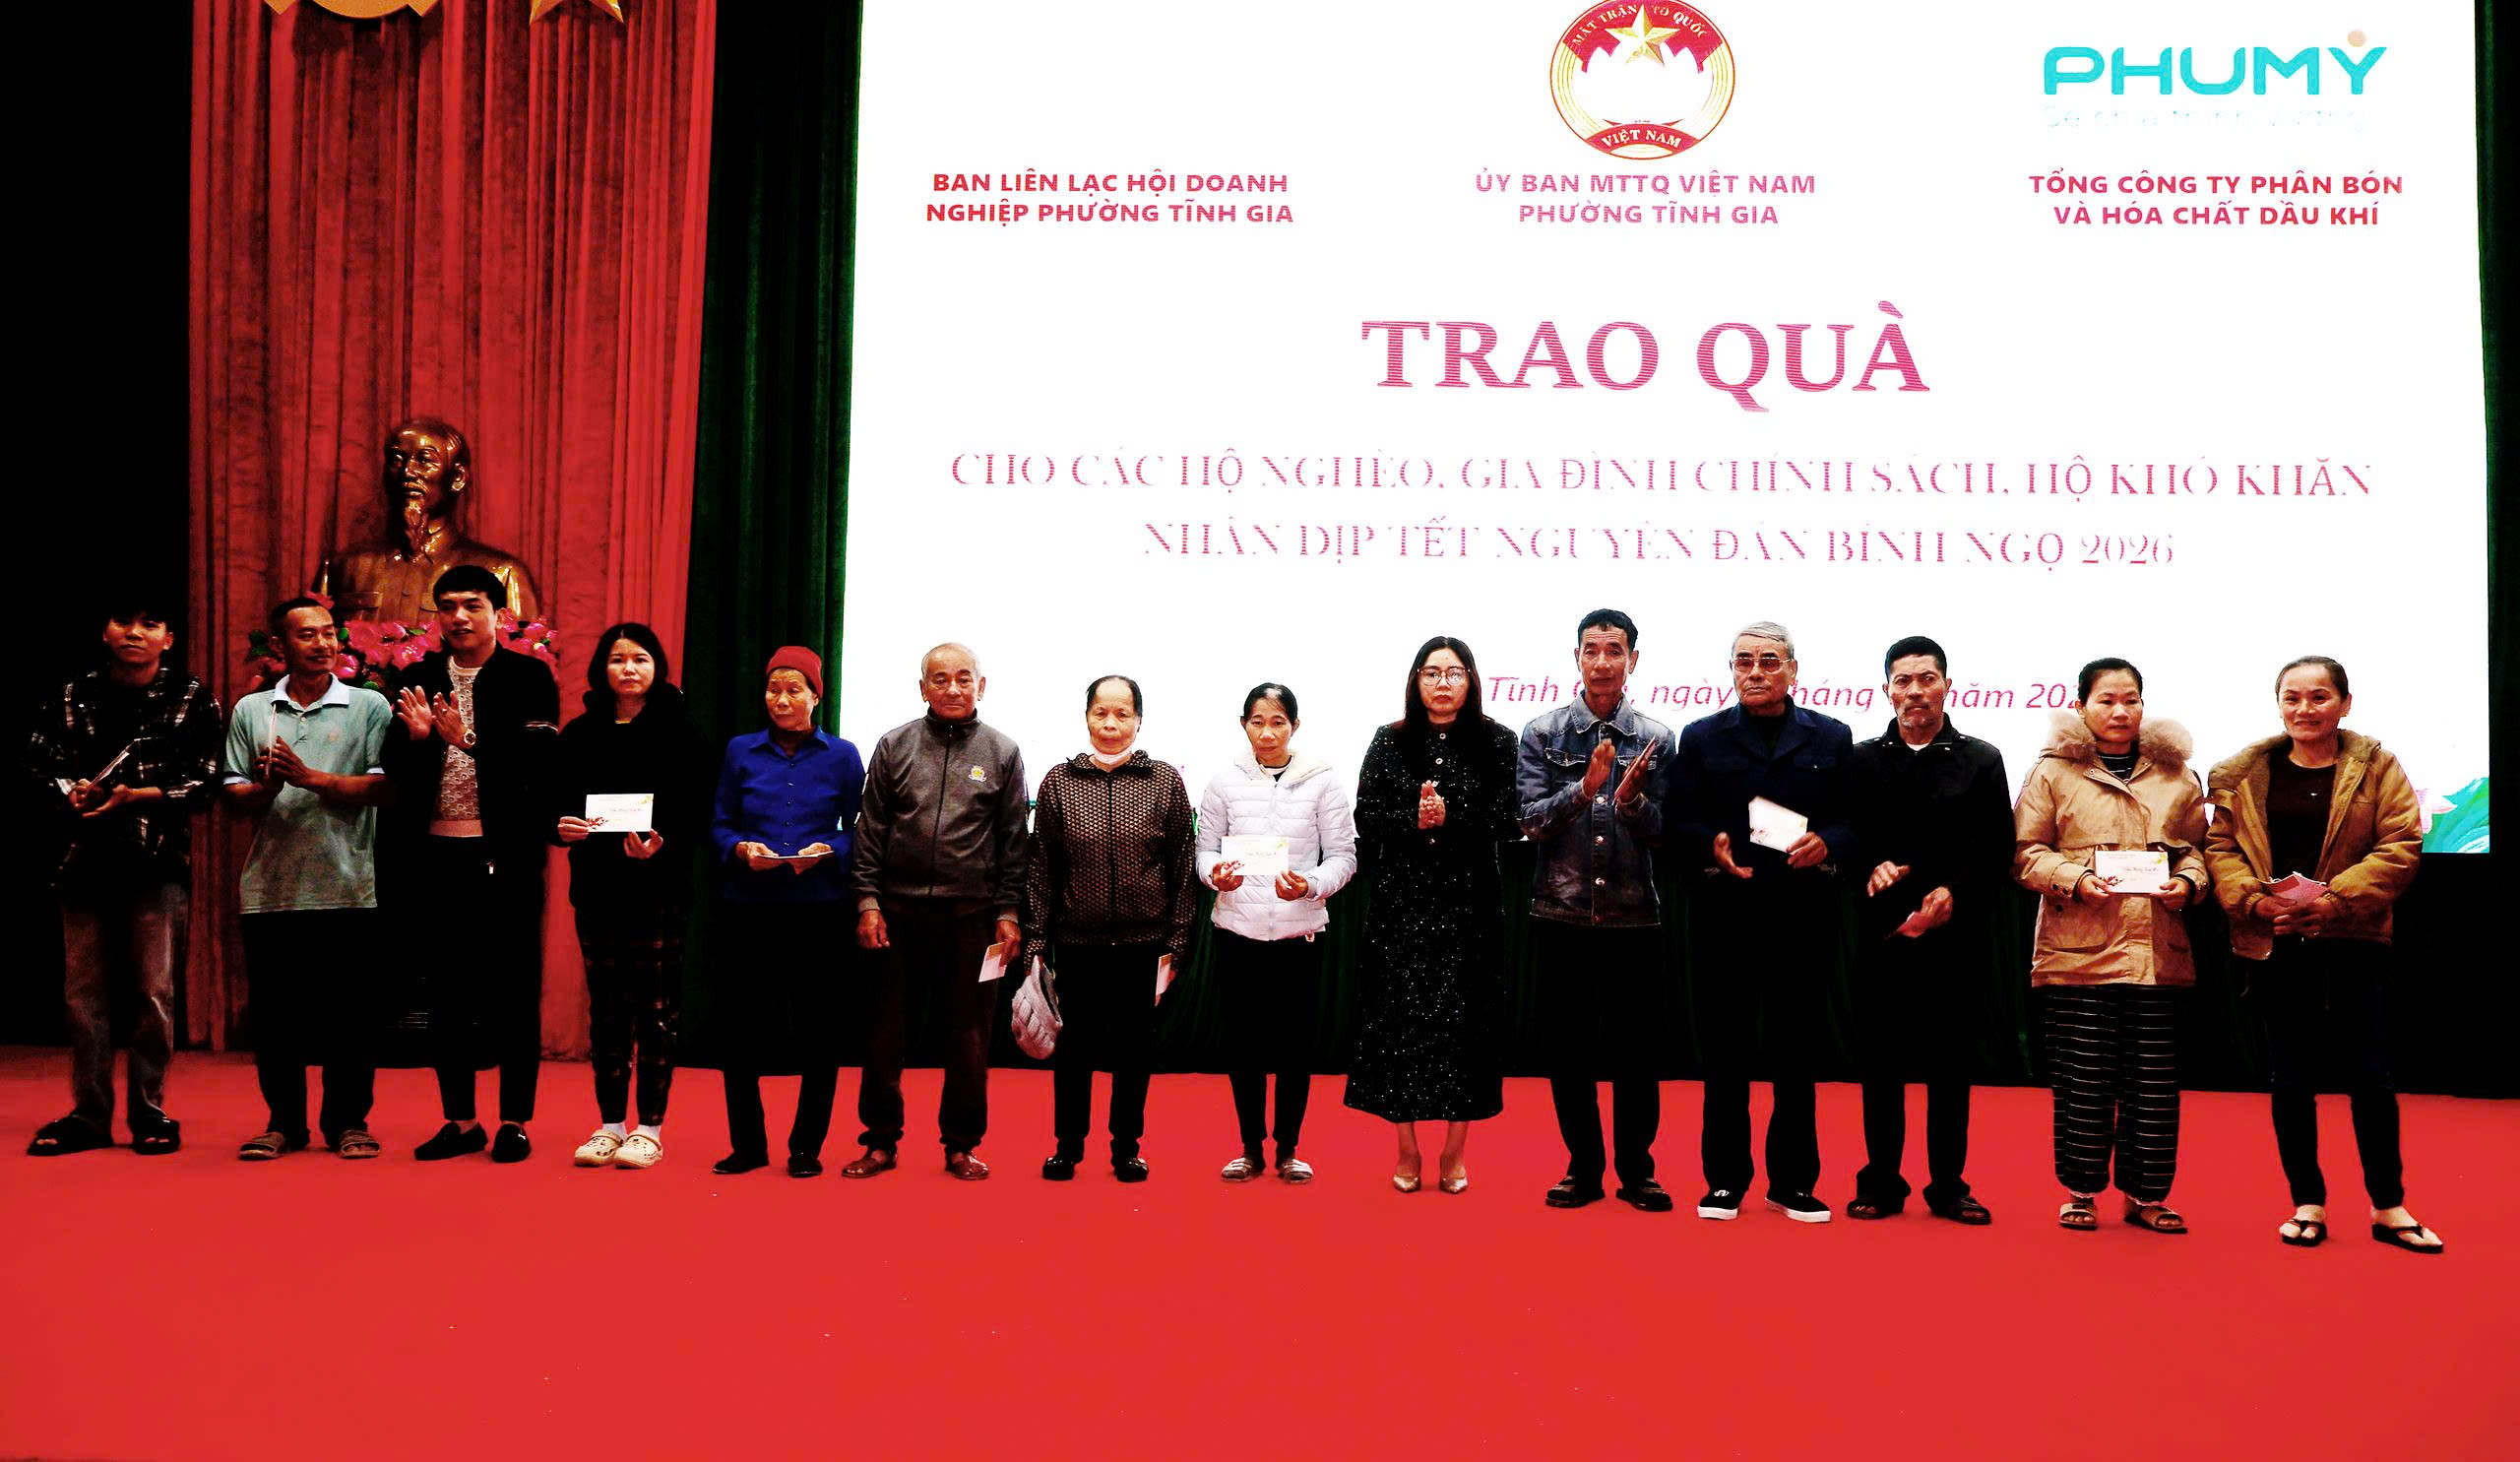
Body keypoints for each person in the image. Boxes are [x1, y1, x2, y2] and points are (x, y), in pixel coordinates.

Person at [2202, 657, 2441, 1254]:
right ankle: (2307, 1202)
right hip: (2276, 940)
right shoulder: (2243, 772)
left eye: (2319, 697)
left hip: (2355, 941)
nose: (2304, 709)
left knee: (2371, 1077)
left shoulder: (2378, 766)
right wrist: (2254, 902)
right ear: (2279, 705)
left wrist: (2334, 903)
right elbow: (2220, 847)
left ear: (2345, 703)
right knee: (2290, 1079)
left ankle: (2388, 1205)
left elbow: (2401, 844)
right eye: (2292, 698)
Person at [1668, 620, 1855, 1224]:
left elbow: (1853, 819)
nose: (1755, 672)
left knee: (1796, 1053)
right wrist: (1710, 843)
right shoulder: (1702, 737)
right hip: (1727, 914)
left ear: (1793, 670)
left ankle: (1793, 1182)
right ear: (1731, 670)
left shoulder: (1831, 736)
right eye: (1744, 661)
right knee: (1725, 1053)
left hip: (1802, 916)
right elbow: (1679, 819)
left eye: (1769, 661)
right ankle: (1725, 1181)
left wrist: (1829, 842)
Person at [24, 595, 223, 1157]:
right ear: (105, 633)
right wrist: (69, 791)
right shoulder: (72, 694)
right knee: (83, 997)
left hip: (155, 860)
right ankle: (88, 1114)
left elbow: (207, 778)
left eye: (149, 624)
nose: (135, 632)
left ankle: (149, 1111)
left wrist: (142, 796)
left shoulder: (191, 696)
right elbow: (37, 761)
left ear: (168, 639)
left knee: (153, 994)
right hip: (81, 860)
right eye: (123, 622)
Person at [2013, 657, 2206, 1235]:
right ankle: (2080, 1191)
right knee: (2084, 1082)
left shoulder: (2177, 775)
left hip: (2157, 954)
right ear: (2081, 706)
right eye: (2106, 700)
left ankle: (2147, 1196)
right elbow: (2025, 853)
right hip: (2078, 955)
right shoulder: (2052, 772)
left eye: (2131, 700)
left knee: (2154, 1085)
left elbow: (2197, 851)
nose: (2120, 711)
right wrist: (2075, 879)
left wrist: (2188, 883)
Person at [384, 564, 561, 1163]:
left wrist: (468, 741)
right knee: (447, 992)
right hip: (437, 854)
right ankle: (460, 1120)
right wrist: (416, 740)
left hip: (505, 854)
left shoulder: (529, 676)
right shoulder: (416, 678)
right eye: (448, 606)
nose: (459, 617)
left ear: (498, 614)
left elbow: (538, 766)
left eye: (473, 605)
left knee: (514, 989)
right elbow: (395, 776)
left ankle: (514, 1120)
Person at [1843, 635, 2011, 1224]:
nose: (1915, 691)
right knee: (1880, 1066)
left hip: (1954, 936)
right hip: (1881, 934)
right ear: (1887, 690)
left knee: (1950, 1067)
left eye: (1927, 679)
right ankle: (1881, 1183)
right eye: (1903, 681)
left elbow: (1997, 848)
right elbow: (1844, 837)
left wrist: (1954, 892)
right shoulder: (1860, 759)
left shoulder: (1981, 758)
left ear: (1946, 685)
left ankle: (1948, 1186)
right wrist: (1869, 866)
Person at [220, 598, 397, 1160]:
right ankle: (284, 1124)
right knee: (276, 1020)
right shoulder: (253, 710)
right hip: (270, 890)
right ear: (279, 647)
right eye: (307, 635)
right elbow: (233, 794)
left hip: (349, 885)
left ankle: (348, 1122)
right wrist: (268, 788)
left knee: (351, 1017)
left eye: (329, 633)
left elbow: (385, 788)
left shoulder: (368, 705)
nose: (323, 644)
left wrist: (308, 777)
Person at [846, 643, 1030, 1181]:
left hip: (972, 917)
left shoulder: (1003, 751)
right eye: (940, 679)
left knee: (969, 1037)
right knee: (885, 1035)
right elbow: (870, 831)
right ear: (922, 687)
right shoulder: (894, 745)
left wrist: (1009, 910)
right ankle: (880, 1141)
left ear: (981, 686)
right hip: (897, 914)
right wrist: (868, 902)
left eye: (963, 678)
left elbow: (1012, 840)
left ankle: (961, 1145)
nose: (953, 688)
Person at [1516, 609, 1678, 1212]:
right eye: (1592, 650)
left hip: (1634, 917)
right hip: (1562, 915)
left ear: (1633, 660)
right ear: (1577, 658)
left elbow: (1667, 834)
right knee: (1570, 1052)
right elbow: (1530, 823)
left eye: (1615, 651)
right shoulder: (1542, 733)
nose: (1603, 662)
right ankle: (1582, 1169)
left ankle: (1638, 1172)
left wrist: (1632, 802)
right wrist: (1584, 790)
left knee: (1637, 1055)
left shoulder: (1658, 738)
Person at [1344, 636, 1519, 1193]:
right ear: (1415, 681)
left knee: (1467, 1028)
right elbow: (1366, 815)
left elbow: (1510, 817)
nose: (1443, 683)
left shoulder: (1498, 741)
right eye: (1431, 673)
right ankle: (1406, 1149)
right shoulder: (1390, 740)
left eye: (1454, 672)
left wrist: (1452, 815)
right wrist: (1413, 820)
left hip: (1470, 907)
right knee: (1399, 1026)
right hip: (1401, 906)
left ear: (1472, 681)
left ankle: (1454, 1151)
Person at [551, 623, 715, 1171]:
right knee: (607, 1009)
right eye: (618, 659)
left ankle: (649, 1128)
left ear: (657, 668)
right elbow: (556, 802)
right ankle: (609, 1125)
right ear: (602, 668)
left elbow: (698, 812)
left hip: (659, 888)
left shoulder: (682, 732)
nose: (628, 669)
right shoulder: (579, 733)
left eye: (640, 659)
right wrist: (560, 827)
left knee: (656, 1009)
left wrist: (663, 845)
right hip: (598, 888)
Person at [1024, 675, 1198, 1181]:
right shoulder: (1059, 782)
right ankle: (1067, 1147)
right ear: (1086, 717)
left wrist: (1178, 940)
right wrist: (1037, 939)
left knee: (1133, 1052)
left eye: (1122, 714)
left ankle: (1126, 1148)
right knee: (1073, 1051)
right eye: (1101, 712)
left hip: (1144, 945)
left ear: (1139, 721)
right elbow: (1042, 867)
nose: (1110, 724)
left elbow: (1182, 867)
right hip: (1077, 944)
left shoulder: (1164, 781)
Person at [708, 646, 863, 1176]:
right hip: (749, 906)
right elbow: (720, 822)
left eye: (795, 689)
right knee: (741, 1029)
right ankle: (748, 1145)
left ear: (816, 696)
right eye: (774, 689)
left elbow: (860, 827)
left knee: (820, 1029)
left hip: (818, 907)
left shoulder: (842, 755)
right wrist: (740, 849)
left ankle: (806, 1147)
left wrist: (830, 850)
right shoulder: (741, 751)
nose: (782, 699)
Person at [1196, 682, 1357, 1183]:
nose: (1267, 733)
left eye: (1278, 722)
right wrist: (1214, 875)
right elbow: (1205, 851)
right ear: (1243, 725)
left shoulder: (1323, 781)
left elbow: (1343, 857)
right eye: (1257, 722)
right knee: (1242, 1046)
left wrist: (1310, 885)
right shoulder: (1224, 780)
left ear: (1294, 726)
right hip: (1236, 930)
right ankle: (1249, 1148)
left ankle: (1289, 1149)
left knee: (1294, 1049)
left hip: (1299, 934)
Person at [317, 416, 540, 623]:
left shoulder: (502, 573)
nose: (407, 472)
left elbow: (523, 651)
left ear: (457, 477)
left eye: (425, 460)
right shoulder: (343, 567)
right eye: (396, 460)